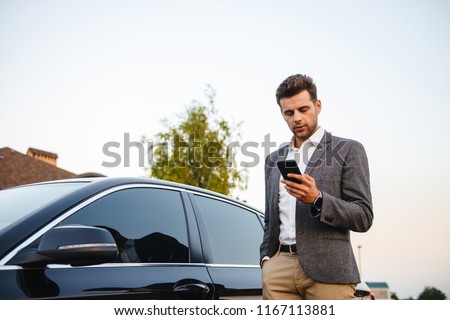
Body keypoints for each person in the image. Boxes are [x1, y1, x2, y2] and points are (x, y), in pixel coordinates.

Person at [260, 74, 374, 300]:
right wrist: (266, 259)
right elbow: (269, 219)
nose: (297, 118)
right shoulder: (273, 160)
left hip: (329, 271)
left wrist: (318, 199)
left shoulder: (348, 150)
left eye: (303, 109)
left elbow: (363, 216)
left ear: (318, 106)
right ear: (282, 114)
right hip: (278, 272)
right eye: (289, 113)